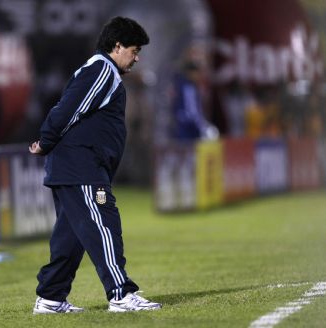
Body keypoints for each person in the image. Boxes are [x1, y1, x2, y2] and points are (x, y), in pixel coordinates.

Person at [29, 16, 162, 313]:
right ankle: (120, 294)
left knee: (71, 237)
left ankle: (50, 298)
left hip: (75, 168)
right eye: (134, 50)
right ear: (117, 46)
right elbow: (68, 108)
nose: (137, 57)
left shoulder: (105, 71)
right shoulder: (102, 69)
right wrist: (46, 140)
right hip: (82, 168)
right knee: (104, 225)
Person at [171, 61, 218, 140]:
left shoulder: (188, 85)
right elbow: (191, 109)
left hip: (187, 124)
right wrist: (201, 125)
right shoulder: (187, 87)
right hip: (187, 126)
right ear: (189, 72)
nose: (198, 75)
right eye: (196, 73)